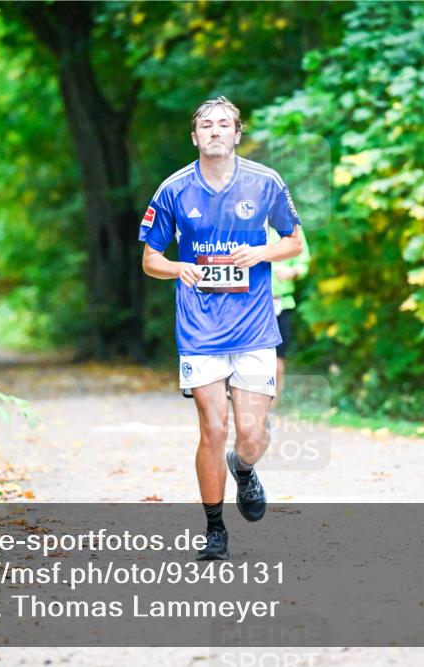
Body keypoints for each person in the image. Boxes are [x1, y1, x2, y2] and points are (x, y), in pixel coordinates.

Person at [139, 96, 303, 560]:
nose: (215, 131)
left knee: (251, 434)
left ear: (236, 134)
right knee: (213, 426)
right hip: (200, 327)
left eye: (224, 124)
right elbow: (150, 259)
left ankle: (244, 468)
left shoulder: (265, 183)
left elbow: (293, 243)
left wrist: (260, 254)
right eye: (206, 125)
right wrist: (179, 269)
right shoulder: (173, 190)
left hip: (253, 325)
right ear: (195, 137)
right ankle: (215, 529)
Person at [270, 226, 310, 403]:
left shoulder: (293, 229)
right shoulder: (251, 224)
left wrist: (292, 272)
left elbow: (304, 263)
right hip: (255, 305)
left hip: (283, 303)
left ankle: (274, 403)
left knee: (278, 361)